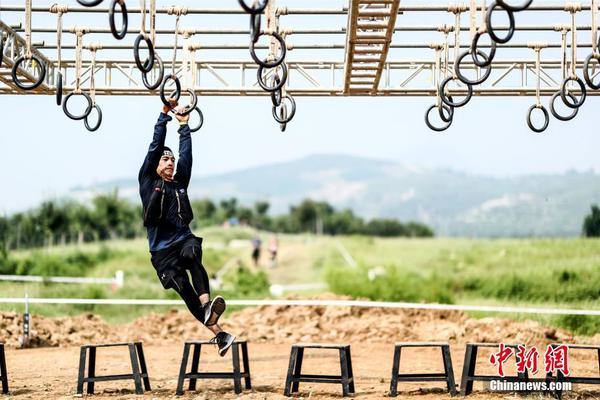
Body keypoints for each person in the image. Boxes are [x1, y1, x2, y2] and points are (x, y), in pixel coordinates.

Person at [139, 99, 235, 356]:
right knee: (182, 286)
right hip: (161, 252)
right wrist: (165, 114)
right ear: (156, 165)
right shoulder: (148, 180)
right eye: (165, 160)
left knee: (192, 254)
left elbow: (187, 156)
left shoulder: (180, 181)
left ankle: (207, 306)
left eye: (172, 160)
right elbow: (155, 146)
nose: (170, 163)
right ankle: (220, 334)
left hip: (183, 240)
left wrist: (184, 125)